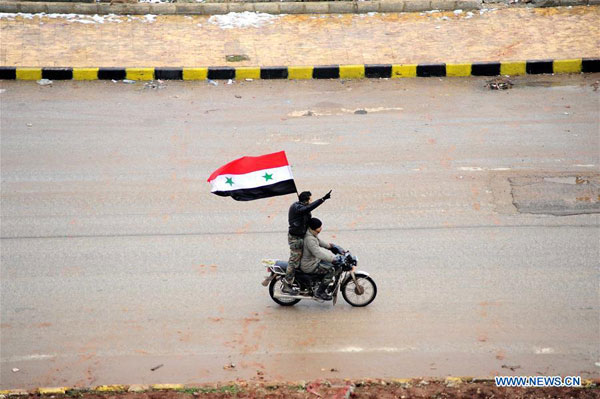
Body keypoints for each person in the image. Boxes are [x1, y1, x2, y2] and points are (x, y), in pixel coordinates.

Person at [283, 190, 332, 294]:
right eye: (311, 198)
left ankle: (305, 281)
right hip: (295, 238)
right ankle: (287, 284)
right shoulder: (296, 207)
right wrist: (322, 199)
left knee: (304, 257)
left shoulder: (303, 208)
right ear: (307, 199)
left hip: (302, 235)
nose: (311, 200)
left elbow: (308, 219)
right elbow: (307, 208)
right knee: (294, 260)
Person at [300, 218, 342, 301]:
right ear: (314, 228)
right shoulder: (309, 239)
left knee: (334, 265)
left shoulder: (312, 234)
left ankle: (328, 286)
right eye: (319, 227)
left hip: (314, 261)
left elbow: (320, 242)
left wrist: (331, 247)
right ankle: (319, 292)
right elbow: (318, 254)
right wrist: (332, 259)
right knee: (331, 269)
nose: (321, 228)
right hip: (310, 265)